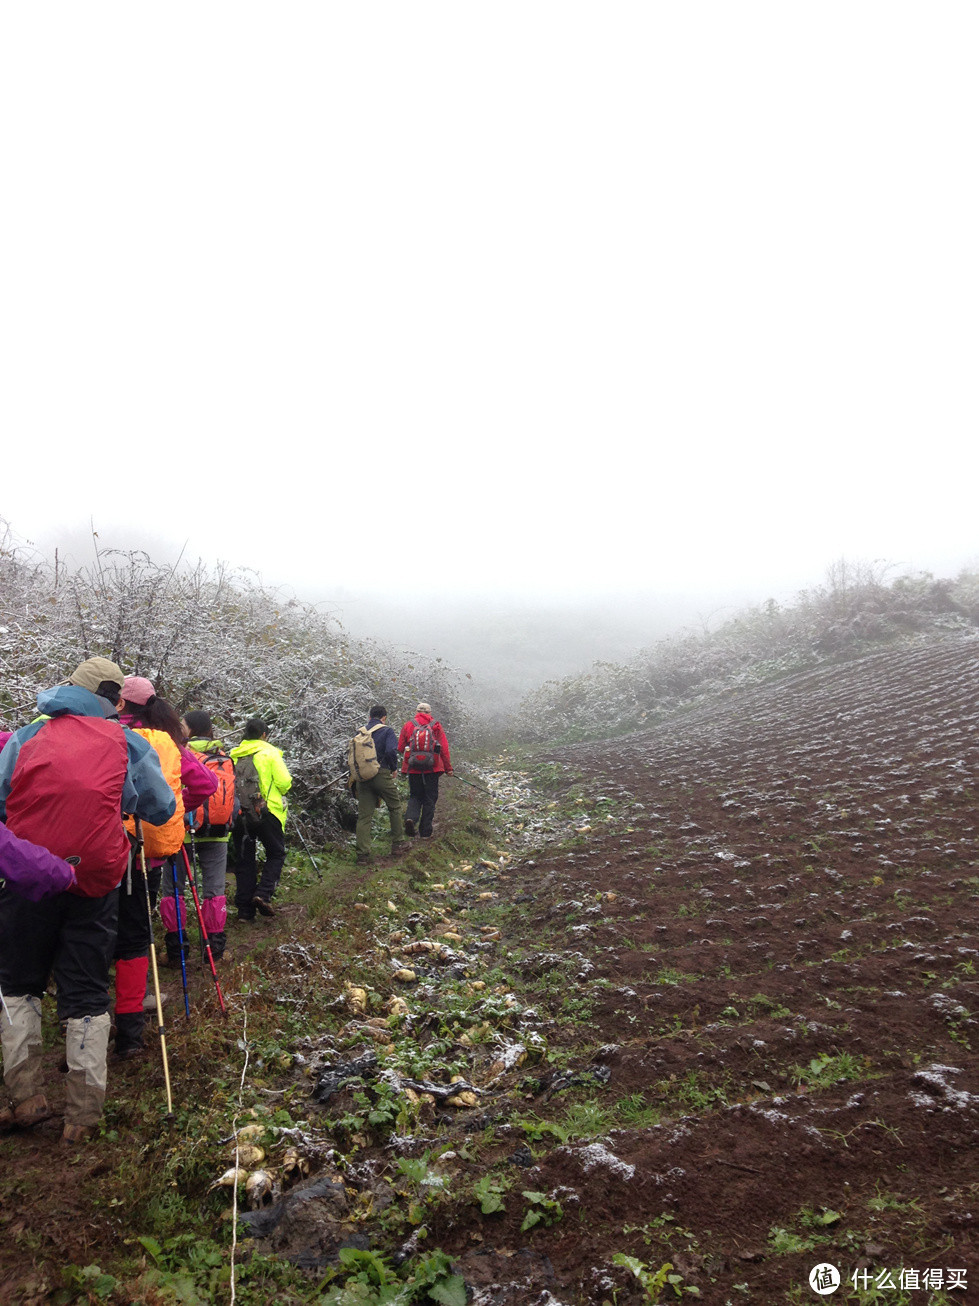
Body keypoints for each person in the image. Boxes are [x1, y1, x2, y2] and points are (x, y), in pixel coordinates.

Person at [0, 657, 175, 1142]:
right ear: (114, 698)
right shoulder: (128, 742)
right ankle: (83, 1117)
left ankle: (26, 1098)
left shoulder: (25, 738)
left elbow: (0, 799)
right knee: (86, 989)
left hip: (29, 879)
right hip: (96, 880)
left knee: (17, 983)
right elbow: (160, 806)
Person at [115, 677, 216, 1058]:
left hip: (93, 851)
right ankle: (128, 1027)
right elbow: (204, 783)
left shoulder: (98, 733)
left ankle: (80, 1018)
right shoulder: (167, 742)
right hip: (145, 850)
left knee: (91, 930)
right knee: (136, 935)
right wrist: (172, 810)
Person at [179, 709, 235, 962]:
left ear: (189, 729)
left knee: (175, 888)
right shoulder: (223, 755)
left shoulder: (182, 754)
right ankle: (215, 950)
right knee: (214, 889)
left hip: (183, 830)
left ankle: (176, 948)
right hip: (218, 831)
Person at [230, 718, 292, 919]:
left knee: (244, 860)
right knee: (276, 853)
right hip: (266, 812)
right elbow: (284, 783)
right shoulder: (270, 753)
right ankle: (263, 894)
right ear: (264, 735)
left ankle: (244, 911)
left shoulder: (233, 755)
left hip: (239, 815)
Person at [353, 706, 408, 866]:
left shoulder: (360, 732)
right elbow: (392, 750)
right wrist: (393, 768)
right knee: (395, 806)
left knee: (364, 816)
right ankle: (398, 844)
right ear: (384, 718)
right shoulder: (387, 731)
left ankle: (362, 855)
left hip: (363, 777)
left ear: (370, 717)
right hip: (381, 773)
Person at [398, 702, 453, 839]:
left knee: (415, 795)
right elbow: (444, 749)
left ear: (416, 711)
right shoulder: (435, 725)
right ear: (429, 712)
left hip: (413, 767)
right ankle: (425, 831)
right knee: (430, 798)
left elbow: (400, 747)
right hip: (432, 767)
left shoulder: (408, 725)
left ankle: (411, 818)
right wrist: (448, 768)